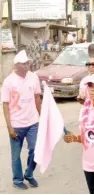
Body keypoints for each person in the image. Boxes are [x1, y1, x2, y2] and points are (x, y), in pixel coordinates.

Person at [1, 50, 42, 190]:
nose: (26, 66)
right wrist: (9, 127)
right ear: (16, 66)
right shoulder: (8, 82)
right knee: (16, 155)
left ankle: (29, 173)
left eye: (27, 63)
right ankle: (17, 179)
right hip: (16, 125)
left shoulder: (33, 77)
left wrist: (41, 115)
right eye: (23, 64)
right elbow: (5, 105)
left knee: (36, 149)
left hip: (32, 122)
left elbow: (37, 97)